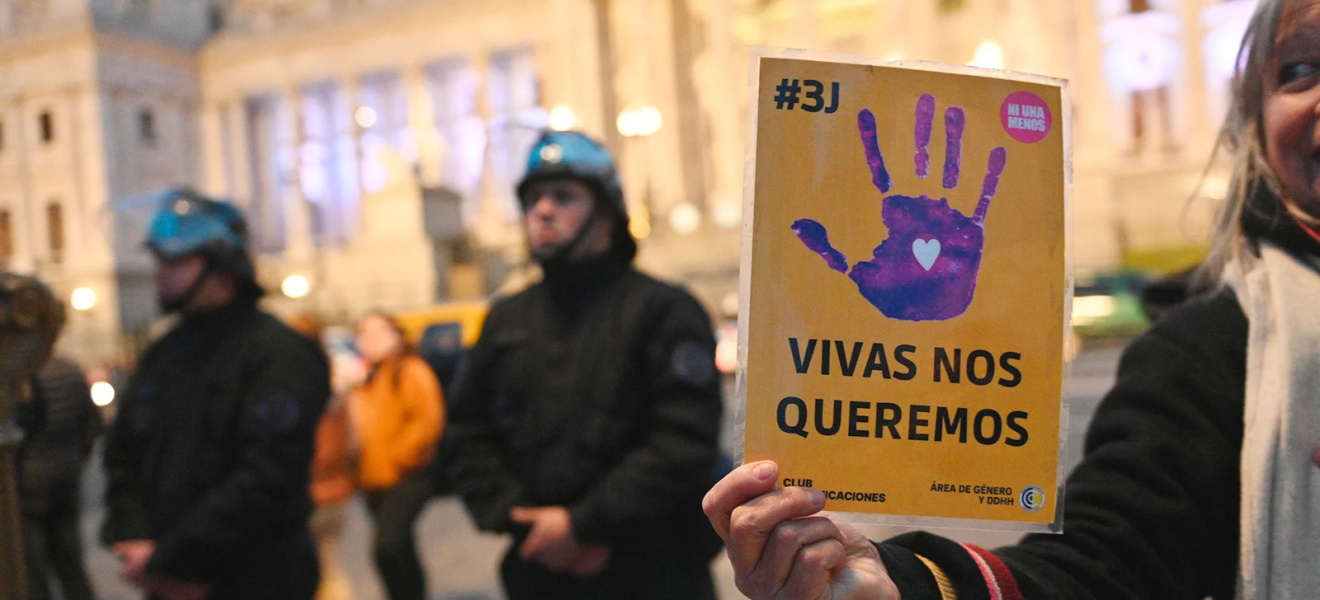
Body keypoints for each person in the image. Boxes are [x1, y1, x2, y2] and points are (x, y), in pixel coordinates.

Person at [703, 0, 1320, 598]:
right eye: (1298, 69)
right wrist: (906, 584)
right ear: (1252, 126)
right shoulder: (1211, 351)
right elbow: (1108, 563)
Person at [448, 130, 725, 600]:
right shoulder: (506, 318)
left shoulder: (664, 311)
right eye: (533, 198)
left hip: (653, 571)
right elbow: (467, 432)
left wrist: (584, 525)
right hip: (538, 568)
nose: (542, 210)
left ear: (607, 215)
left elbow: (683, 442)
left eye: (563, 196)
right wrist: (524, 523)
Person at [100, 188, 330, 600]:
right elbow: (122, 452)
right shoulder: (163, 353)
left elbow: (268, 478)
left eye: (176, 261)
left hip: (255, 578)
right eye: (159, 261)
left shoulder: (276, 351)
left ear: (222, 267)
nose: (160, 273)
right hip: (167, 576)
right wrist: (136, 537)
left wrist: (175, 560)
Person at [349, 311, 444, 600]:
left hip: (405, 475)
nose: (370, 340)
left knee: (388, 546)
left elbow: (428, 421)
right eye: (364, 333)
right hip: (374, 479)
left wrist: (402, 457)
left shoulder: (410, 370)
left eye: (378, 332)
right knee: (399, 548)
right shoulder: (368, 376)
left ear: (397, 336)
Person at [17, 354, 101, 600]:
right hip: (66, 475)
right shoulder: (68, 368)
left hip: (26, 484)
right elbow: (91, 423)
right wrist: (75, 459)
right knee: (70, 562)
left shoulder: (18, 370)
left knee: (32, 570)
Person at [288, 313, 356, 600]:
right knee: (330, 567)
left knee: (308, 575)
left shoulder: (293, 382)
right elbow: (353, 439)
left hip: (309, 490)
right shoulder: (334, 378)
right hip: (336, 488)